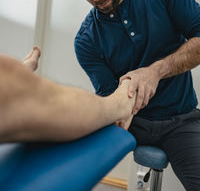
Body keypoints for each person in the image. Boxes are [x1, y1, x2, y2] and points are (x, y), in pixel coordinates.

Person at [62, 0, 200, 191]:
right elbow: (109, 96)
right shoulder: (86, 41)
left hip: (181, 118)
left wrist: (154, 72)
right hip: (131, 124)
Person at [0, 47, 135, 143]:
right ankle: (118, 105)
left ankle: (21, 76)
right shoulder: (86, 38)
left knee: (9, 73)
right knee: (9, 73)